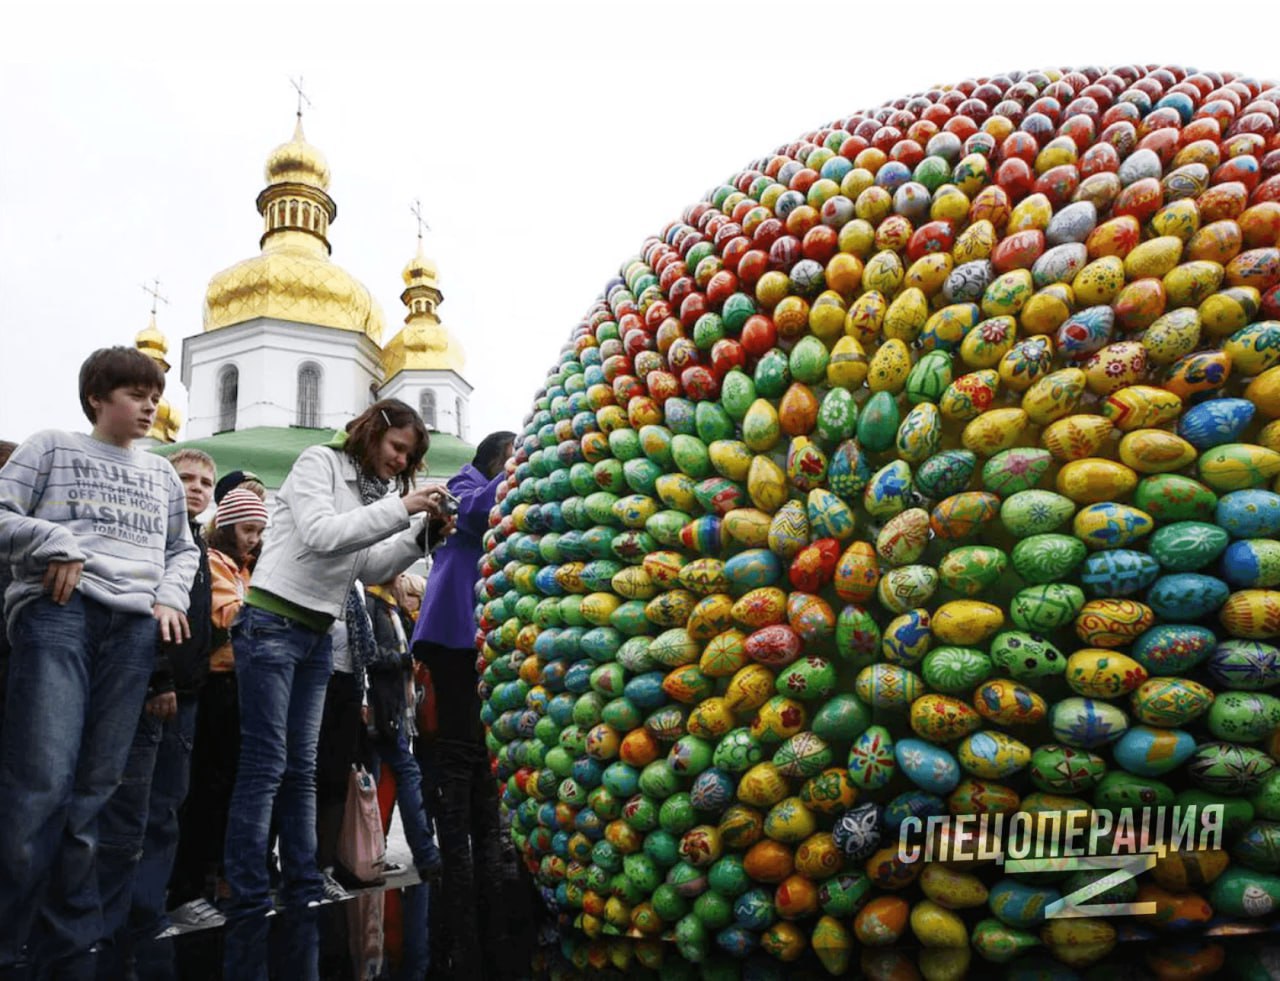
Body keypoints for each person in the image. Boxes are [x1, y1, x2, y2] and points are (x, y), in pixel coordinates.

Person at [0, 346, 199, 972]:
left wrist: (167, 597)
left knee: (94, 792)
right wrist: (55, 538)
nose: (150, 407)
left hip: (134, 630)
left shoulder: (163, 474)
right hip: (61, 613)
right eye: (137, 394)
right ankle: (11, 940)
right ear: (97, 398)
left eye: (155, 397)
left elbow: (182, 551)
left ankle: (68, 941)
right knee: (41, 785)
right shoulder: (52, 446)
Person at [223, 400, 448, 919]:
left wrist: (422, 537)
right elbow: (324, 535)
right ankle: (248, 889)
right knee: (265, 765)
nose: (399, 463)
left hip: (317, 633)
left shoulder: (372, 491)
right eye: (397, 449)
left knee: (302, 767)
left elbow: (366, 564)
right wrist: (405, 508)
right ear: (374, 430)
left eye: (408, 457)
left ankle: (303, 883)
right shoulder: (316, 463)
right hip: (273, 622)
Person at [96, 448, 216, 964]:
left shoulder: (196, 542)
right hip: (153, 689)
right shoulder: (158, 537)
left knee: (166, 808)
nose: (196, 487)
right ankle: (115, 920)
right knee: (130, 810)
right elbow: (148, 606)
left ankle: (148, 912)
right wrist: (160, 677)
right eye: (185, 478)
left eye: (205, 482)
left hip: (187, 693)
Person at [410, 430, 514, 977]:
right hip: (453, 629)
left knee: (478, 746)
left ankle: (486, 850)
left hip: (480, 631)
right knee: (455, 747)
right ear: (496, 459)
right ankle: (457, 856)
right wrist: (517, 469)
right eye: (511, 457)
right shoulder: (464, 483)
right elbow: (474, 513)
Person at [168, 487, 267, 926]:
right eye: (248, 529)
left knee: (226, 786)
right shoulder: (213, 562)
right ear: (226, 526)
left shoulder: (243, 566)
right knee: (206, 788)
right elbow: (229, 616)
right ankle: (187, 887)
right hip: (217, 683)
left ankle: (215, 878)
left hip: (241, 682)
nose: (254, 539)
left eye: (260, 532)